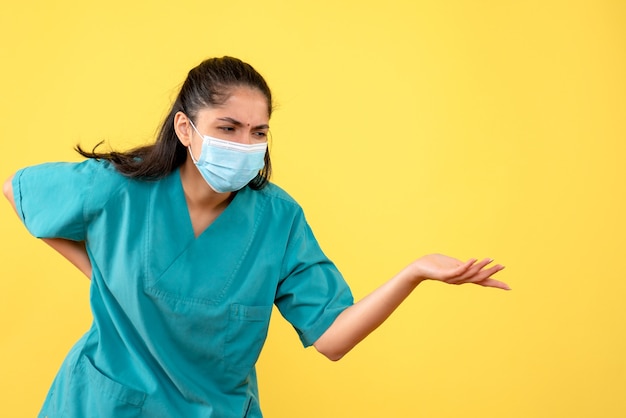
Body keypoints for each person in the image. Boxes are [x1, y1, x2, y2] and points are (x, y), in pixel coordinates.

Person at [3, 56, 508, 417]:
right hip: (105, 403)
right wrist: (102, 273)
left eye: (258, 132)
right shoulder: (121, 187)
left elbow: (333, 339)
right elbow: (19, 192)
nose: (245, 145)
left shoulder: (277, 220)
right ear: (185, 128)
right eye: (227, 128)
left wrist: (414, 272)